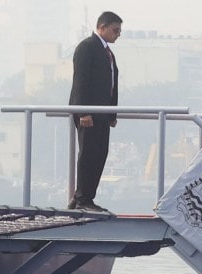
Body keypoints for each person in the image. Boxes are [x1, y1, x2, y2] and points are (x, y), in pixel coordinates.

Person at [67, 11, 122, 212]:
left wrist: (112, 114)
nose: (118, 34)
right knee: (89, 153)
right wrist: (83, 112)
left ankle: (83, 196)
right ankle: (83, 198)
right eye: (115, 30)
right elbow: (81, 81)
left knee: (100, 153)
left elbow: (111, 84)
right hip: (88, 112)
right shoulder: (87, 47)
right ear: (102, 27)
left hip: (101, 113)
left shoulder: (107, 52)